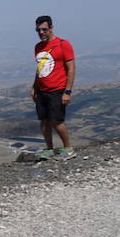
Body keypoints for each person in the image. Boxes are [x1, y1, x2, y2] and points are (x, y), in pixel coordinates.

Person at [29, 15, 77, 160]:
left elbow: (71, 68)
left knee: (57, 121)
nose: (41, 32)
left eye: (44, 29)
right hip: (41, 90)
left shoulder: (63, 44)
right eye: (38, 29)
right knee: (44, 121)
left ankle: (68, 148)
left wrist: (67, 91)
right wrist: (34, 87)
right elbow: (40, 68)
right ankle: (49, 149)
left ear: (51, 28)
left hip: (57, 89)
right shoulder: (38, 47)